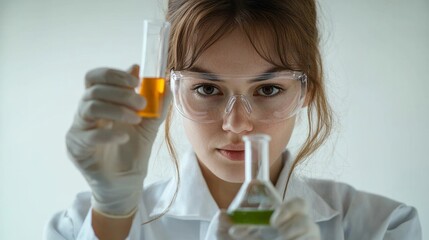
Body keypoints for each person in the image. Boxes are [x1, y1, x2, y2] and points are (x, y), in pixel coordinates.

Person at [45, 0, 422, 239]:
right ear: (170, 90)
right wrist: (113, 216)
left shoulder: (382, 227)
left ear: (308, 90)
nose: (238, 124)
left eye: (269, 89)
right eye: (208, 89)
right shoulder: (83, 226)